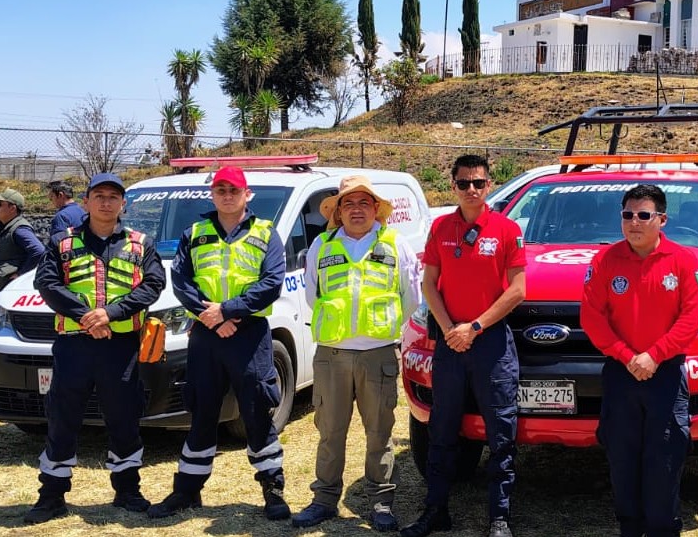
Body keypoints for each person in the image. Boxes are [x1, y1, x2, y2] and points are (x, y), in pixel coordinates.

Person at [149, 165, 290, 521]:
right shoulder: (194, 232)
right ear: (213, 195)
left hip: (249, 335)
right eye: (221, 190)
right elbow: (180, 279)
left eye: (234, 190)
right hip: (205, 335)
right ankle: (187, 491)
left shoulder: (265, 233)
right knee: (202, 411)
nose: (227, 196)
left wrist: (228, 311)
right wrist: (209, 315)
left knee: (257, 410)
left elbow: (272, 281)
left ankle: (272, 490)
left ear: (247, 195)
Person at [24, 173, 165, 524]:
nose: (106, 202)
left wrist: (110, 314)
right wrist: (88, 316)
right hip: (75, 346)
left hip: (121, 348)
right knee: (62, 417)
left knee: (124, 417)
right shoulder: (62, 242)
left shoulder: (141, 244)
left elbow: (154, 285)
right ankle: (52, 495)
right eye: (98, 196)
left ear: (123, 204)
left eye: (113, 197)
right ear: (85, 202)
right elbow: (47, 283)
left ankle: (128, 490)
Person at [402, 155, 526, 537]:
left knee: (501, 433)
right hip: (450, 346)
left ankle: (499, 518)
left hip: (490, 346)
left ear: (489, 185)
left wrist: (473, 326)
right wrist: (449, 329)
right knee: (441, 432)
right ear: (453, 186)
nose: (471, 189)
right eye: (463, 183)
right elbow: (428, 284)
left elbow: (519, 290)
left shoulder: (507, 230)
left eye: (478, 182)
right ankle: (436, 510)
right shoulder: (440, 228)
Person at [290, 175, 421, 532]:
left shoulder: (396, 245)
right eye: (349, 203)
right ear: (338, 211)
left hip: (377, 355)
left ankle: (380, 503)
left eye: (364, 202)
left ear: (376, 209)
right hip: (332, 355)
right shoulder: (321, 247)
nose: (357, 209)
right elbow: (314, 297)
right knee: (330, 431)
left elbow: (411, 298)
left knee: (379, 433)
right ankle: (324, 501)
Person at [580, 184, 698, 537]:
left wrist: (655, 355)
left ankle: (664, 528)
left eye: (643, 215)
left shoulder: (683, 261)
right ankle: (629, 528)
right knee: (622, 457)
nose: (634, 222)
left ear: (662, 219)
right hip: (621, 375)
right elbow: (592, 317)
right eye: (627, 215)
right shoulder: (604, 260)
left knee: (665, 458)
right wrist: (626, 356)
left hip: (665, 374)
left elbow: (691, 317)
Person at [0, 188, 45, 306]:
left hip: (10, 288)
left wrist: (20, 275)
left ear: (12, 208)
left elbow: (39, 251)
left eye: (0, 204)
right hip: (1, 286)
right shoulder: (5, 226)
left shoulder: (19, 229)